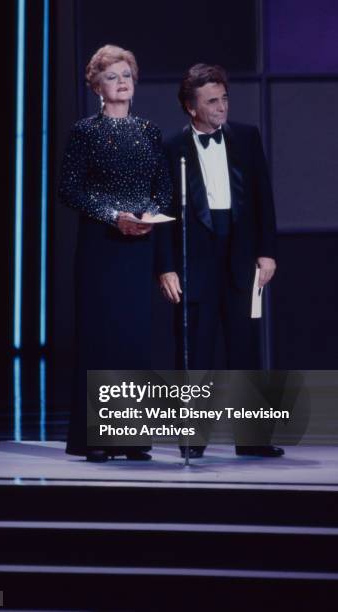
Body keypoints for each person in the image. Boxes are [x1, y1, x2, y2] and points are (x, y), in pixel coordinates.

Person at [156, 63, 284, 459]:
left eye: (224, 98)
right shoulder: (171, 147)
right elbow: (161, 211)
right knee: (196, 350)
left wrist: (267, 251)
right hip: (195, 258)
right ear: (191, 107)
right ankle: (193, 439)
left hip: (241, 255)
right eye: (212, 101)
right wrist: (165, 266)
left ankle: (253, 438)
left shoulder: (247, 137)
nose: (222, 106)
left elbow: (263, 198)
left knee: (245, 348)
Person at [58, 45, 172, 462]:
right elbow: (68, 190)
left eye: (127, 75)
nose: (122, 82)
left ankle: (131, 437)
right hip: (101, 248)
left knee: (134, 340)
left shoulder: (149, 131)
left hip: (139, 246)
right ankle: (97, 438)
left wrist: (146, 215)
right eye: (112, 77)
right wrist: (113, 216)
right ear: (97, 86)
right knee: (101, 339)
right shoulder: (85, 131)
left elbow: (163, 188)